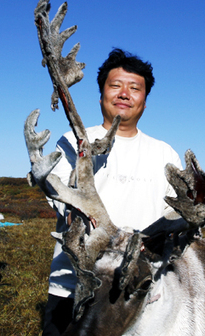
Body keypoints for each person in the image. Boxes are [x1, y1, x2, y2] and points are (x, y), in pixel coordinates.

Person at [42, 48, 183, 335]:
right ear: (101, 94)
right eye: (115, 85)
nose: (124, 94)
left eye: (134, 88)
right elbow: (61, 201)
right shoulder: (73, 142)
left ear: (144, 101)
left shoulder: (165, 154)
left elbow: (176, 216)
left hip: (139, 291)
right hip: (74, 283)